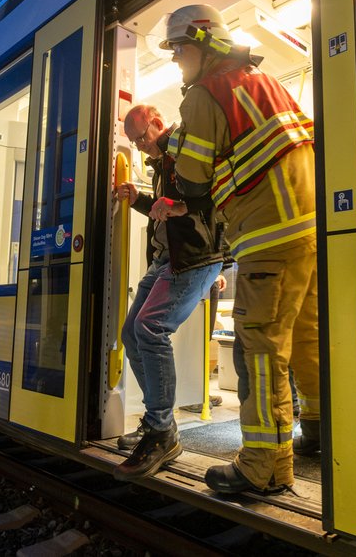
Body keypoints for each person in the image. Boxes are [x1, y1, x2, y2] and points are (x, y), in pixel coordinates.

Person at [161, 5, 320, 494]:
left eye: (179, 50)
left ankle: (264, 467)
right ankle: (320, 426)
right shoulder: (265, 82)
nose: (176, 61)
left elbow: (192, 181)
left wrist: (175, 145)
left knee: (260, 348)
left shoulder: (203, 95)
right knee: (309, 338)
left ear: (202, 44)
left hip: (268, 235)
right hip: (312, 229)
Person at [112, 104, 225, 480]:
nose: (141, 146)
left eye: (142, 137)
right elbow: (169, 213)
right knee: (131, 333)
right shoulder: (161, 163)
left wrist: (174, 204)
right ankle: (157, 421)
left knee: (150, 328)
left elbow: (211, 202)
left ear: (158, 123)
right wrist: (140, 199)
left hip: (194, 258)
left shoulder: (185, 151)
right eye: (134, 141)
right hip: (166, 259)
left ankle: (162, 431)